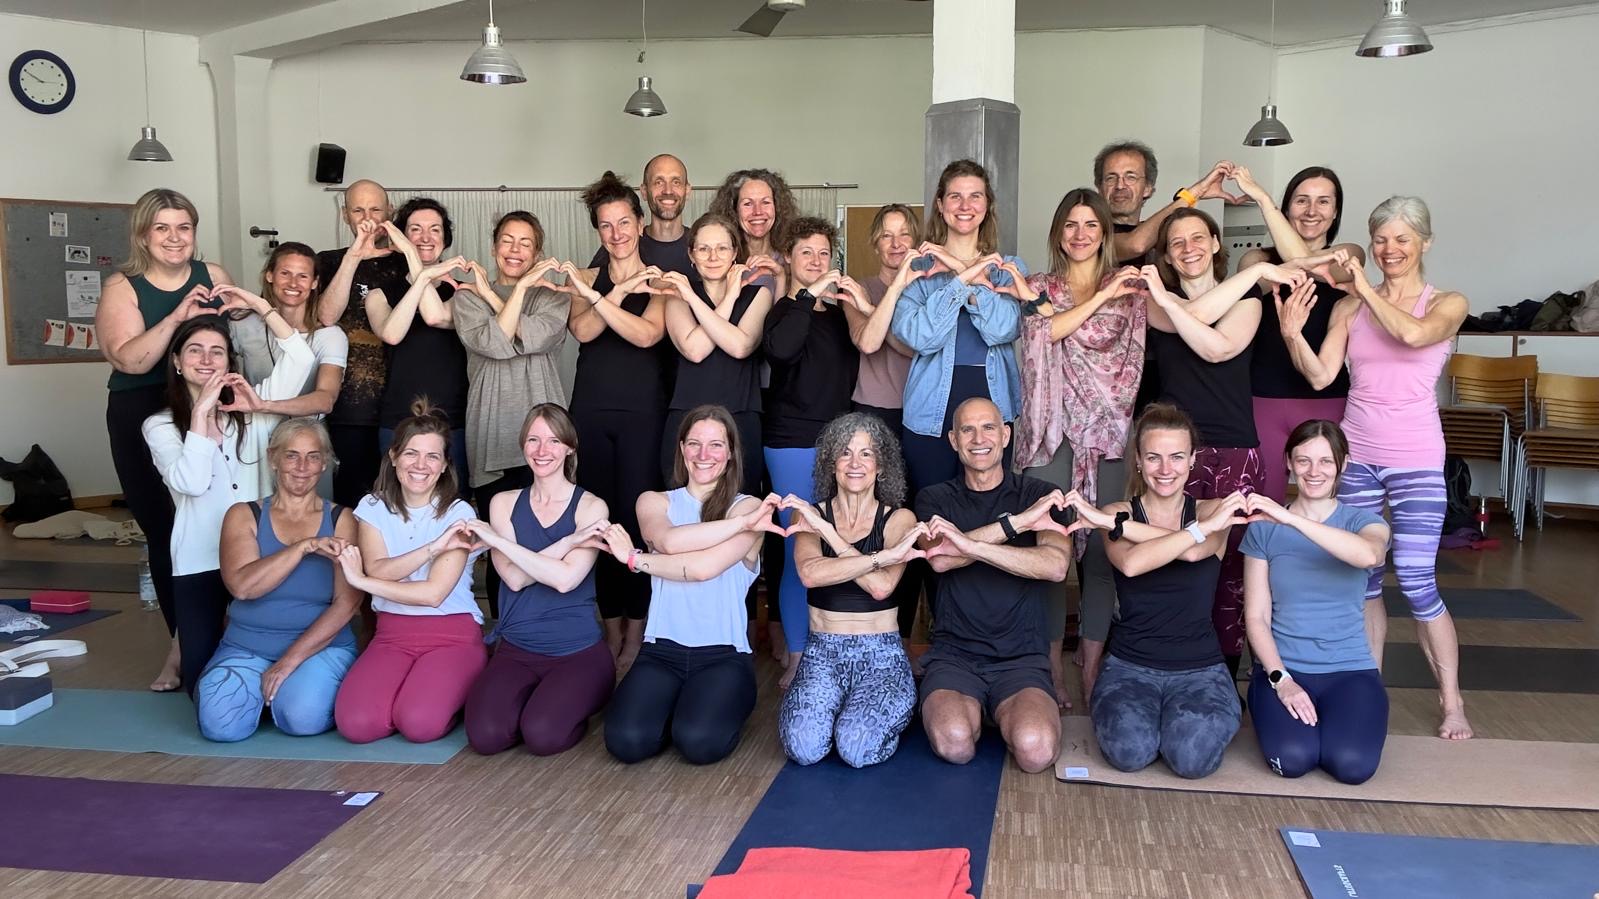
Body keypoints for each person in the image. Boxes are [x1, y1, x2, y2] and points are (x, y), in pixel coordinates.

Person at [1278, 196, 1473, 740]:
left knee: (1414, 579)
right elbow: (1320, 377)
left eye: (1402, 239)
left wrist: (1361, 286)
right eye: (1381, 239)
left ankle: (1452, 702)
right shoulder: (1347, 309)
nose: (1389, 250)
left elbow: (1412, 335)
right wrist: (1293, 334)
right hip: (1358, 454)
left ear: (1424, 243)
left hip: (1415, 459)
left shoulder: (1448, 302)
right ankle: (1366, 688)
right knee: (1360, 579)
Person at [1144, 206, 1310, 675]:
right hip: (1174, 453)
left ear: (1216, 245)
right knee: (1173, 555)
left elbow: (1217, 348)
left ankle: (1224, 672)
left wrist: (1256, 274)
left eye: (1198, 238)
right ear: (1168, 257)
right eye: (1177, 243)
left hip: (1235, 448)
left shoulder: (1249, 303)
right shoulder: (1158, 304)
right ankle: (1171, 661)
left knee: (1233, 570)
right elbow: (1192, 319)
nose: (1189, 249)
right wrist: (1256, 270)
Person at [97, 189, 241, 690]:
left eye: (184, 227)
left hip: (207, 399)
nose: (175, 238)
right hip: (143, 408)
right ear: (143, 234)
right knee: (169, 530)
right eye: (162, 228)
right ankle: (181, 646)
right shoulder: (123, 285)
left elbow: (234, 342)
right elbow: (130, 359)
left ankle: (231, 633)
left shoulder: (215, 276)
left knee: (227, 523)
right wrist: (177, 316)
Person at [1015, 187, 1147, 706]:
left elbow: (1130, 363)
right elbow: (1039, 337)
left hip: (1109, 436)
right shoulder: (1038, 286)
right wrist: (1097, 300)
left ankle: (1090, 665)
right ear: (1057, 233)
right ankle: (1048, 663)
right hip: (1050, 436)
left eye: (1091, 225)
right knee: (1049, 550)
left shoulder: (1130, 289)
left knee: (1101, 557)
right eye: (1070, 225)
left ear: (1105, 233)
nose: (1081, 234)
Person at [143, 309, 316, 695]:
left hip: (260, 559)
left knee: (275, 675)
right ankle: (184, 652)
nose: (206, 360)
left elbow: (302, 357)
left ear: (229, 362)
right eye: (195, 351)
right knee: (202, 691)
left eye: (217, 352)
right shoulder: (159, 426)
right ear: (176, 361)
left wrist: (258, 303)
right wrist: (202, 413)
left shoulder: (253, 415)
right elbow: (191, 481)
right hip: (198, 560)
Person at [1073, 403, 1245, 778]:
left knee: (1191, 760)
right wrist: (1117, 523)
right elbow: (1132, 565)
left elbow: (1198, 551)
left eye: (1176, 457)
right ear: (1137, 460)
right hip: (1129, 667)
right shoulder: (1117, 510)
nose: (1165, 470)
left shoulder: (1211, 509)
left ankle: (1183, 724)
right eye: (1153, 457)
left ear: (1192, 460)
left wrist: (1119, 527)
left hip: (1202, 669)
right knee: (1130, 753)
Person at [599, 406, 774, 765]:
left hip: (723, 657)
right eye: (694, 444)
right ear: (681, 449)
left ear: (730, 453)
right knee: (626, 742)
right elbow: (670, 542)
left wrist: (634, 560)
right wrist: (739, 527)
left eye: (715, 445)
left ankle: (696, 712)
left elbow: (702, 568)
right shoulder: (654, 501)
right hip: (661, 652)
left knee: (699, 743)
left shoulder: (749, 507)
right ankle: (673, 709)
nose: (704, 454)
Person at [915, 397, 1070, 774]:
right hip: (955, 657)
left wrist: (968, 546)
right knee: (954, 744)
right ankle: (974, 713)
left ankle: (1000, 713)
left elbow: (1055, 566)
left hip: (1021, 660)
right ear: (953, 440)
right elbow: (938, 559)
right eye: (967, 429)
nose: (978, 438)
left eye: (988, 428)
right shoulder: (934, 498)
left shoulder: (1037, 495)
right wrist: (1013, 526)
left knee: (1036, 753)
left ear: (1005, 435)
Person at [1242, 420, 1391, 784]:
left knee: (1351, 767)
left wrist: (1290, 519)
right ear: (1288, 463)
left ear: (1343, 464)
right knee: (1293, 760)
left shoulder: (1365, 522)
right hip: (1284, 670)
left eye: (1325, 461)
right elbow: (1257, 617)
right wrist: (1281, 679)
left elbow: (1368, 556)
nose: (1314, 471)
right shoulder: (1263, 528)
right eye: (1304, 460)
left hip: (1350, 672)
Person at [460, 404, 615, 756]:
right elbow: (513, 579)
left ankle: (567, 703)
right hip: (516, 650)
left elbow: (565, 580)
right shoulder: (502, 502)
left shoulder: (591, 507)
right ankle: (535, 701)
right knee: (486, 738)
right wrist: (567, 542)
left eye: (552, 441)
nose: (542, 450)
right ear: (523, 445)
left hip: (577, 653)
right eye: (533, 440)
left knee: (543, 736)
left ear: (569, 448)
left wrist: (497, 541)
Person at [565, 173, 674, 671]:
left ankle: (638, 631)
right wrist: (615, 293)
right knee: (597, 522)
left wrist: (618, 291)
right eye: (606, 226)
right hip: (589, 410)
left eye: (624, 222)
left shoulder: (659, 278)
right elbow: (583, 330)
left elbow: (649, 335)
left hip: (642, 414)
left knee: (636, 523)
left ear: (639, 222)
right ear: (598, 230)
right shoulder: (584, 279)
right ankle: (609, 631)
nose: (616, 233)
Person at [333, 401, 487, 744]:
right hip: (391, 635)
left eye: (433, 456)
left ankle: (452, 691)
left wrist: (363, 582)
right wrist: (433, 548)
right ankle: (415, 694)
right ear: (393, 456)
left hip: (452, 635)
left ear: (446, 464)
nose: (421, 465)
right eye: (411, 453)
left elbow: (433, 594)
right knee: (357, 725)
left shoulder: (457, 512)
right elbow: (378, 568)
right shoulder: (372, 506)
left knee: (419, 724)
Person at [198, 419, 359, 741]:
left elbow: (348, 603)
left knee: (301, 720)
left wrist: (288, 661)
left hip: (319, 649)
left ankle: (283, 694)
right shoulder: (243, 515)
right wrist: (303, 547)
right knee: (220, 727)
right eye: (291, 455)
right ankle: (273, 694)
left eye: (313, 456)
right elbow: (242, 586)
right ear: (273, 458)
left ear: (324, 462)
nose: (302, 466)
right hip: (247, 646)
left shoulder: (343, 519)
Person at [777, 413, 922, 767]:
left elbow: (881, 586)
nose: (855, 463)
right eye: (845, 453)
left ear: (881, 466)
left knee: (856, 750)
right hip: (821, 654)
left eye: (866, 454)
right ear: (831, 464)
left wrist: (828, 535)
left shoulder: (900, 519)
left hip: (881, 657)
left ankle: (876, 709)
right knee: (803, 748)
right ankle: (841, 711)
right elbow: (810, 574)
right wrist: (880, 557)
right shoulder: (807, 514)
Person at [451, 210, 570, 617]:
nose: (515, 250)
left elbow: (526, 335)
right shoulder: (465, 297)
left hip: (545, 435)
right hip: (491, 433)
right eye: (507, 240)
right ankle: (507, 634)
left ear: (538, 252)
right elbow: (496, 341)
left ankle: (551, 629)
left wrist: (492, 295)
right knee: (501, 547)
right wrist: (494, 292)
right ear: (494, 247)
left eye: (525, 243)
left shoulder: (555, 297)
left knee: (552, 541)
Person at [891, 159, 1030, 496]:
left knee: (989, 509)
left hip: (994, 402)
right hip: (929, 410)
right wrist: (964, 277)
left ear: (987, 206)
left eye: (975, 197)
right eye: (955, 196)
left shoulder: (1008, 268)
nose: (965, 206)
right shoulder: (917, 269)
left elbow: (1003, 329)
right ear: (940, 205)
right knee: (931, 511)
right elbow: (920, 337)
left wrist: (958, 269)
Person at [762, 217, 862, 682]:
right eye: (807, 254)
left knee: (837, 546)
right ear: (789, 258)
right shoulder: (783, 309)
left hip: (840, 442)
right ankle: (799, 655)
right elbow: (780, 352)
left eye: (824, 254)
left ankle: (830, 650)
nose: (817, 262)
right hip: (792, 442)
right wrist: (806, 295)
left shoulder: (842, 313)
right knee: (800, 546)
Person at [1234, 166, 1366, 502]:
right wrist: (1267, 202)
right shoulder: (1256, 259)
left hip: (1327, 398)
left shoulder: (1350, 254)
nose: (1311, 211)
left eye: (1323, 202)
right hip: (1262, 398)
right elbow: (1301, 266)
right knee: (1260, 499)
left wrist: (1262, 200)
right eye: (1301, 200)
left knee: (1328, 503)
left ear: (1335, 211)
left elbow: (1306, 265)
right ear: (1287, 206)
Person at [1092, 144, 1243, 415]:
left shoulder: (1164, 240)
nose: (1120, 185)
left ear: (1148, 188)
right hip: (1106, 370)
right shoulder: (1091, 238)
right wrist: (1192, 194)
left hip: (1162, 365)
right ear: (1099, 187)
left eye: (1131, 176)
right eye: (1111, 178)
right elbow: (1136, 243)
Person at [844, 203, 928, 644]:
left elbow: (915, 349)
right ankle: (864, 628)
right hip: (872, 415)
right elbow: (869, 339)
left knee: (909, 525)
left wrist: (879, 307)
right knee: (869, 522)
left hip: (919, 416)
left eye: (904, 236)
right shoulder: (859, 287)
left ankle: (903, 632)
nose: (896, 244)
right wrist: (872, 302)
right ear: (875, 241)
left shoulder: (931, 289)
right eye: (887, 236)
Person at [659, 214, 772, 490]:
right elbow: (694, 349)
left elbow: (740, 346)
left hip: (741, 413)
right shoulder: (676, 295)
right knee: (684, 510)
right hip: (687, 415)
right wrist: (729, 298)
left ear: (735, 252)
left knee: (741, 510)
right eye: (704, 248)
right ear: (691, 254)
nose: (713, 256)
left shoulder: (759, 294)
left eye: (722, 248)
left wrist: (725, 296)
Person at [317, 179, 412, 506]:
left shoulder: (405, 264)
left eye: (375, 209)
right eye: (358, 210)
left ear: (390, 213)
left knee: (401, 501)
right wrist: (353, 258)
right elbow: (327, 316)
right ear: (345, 215)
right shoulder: (328, 261)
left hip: (401, 405)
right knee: (352, 501)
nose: (368, 218)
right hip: (348, 406)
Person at [374, 199, 470, 479]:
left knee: (453, 506)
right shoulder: (381, 294)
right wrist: (422, 274)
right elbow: (392, 334)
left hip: (453, 419)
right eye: (415, 230)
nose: (425, 238)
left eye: (435, 230)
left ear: (445, 238)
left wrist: (417, 264)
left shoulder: (464, 292)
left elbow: (435, 316)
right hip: (397, 418)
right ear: (402, 237)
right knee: (395, 505)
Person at [589, 153, 697, 279]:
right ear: (644, 191)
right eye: (659, 182)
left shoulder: (703, 246)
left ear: (687, 191)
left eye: (676, 182)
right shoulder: (621, 244)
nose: (668, 190)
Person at [708, 168, 798, 294]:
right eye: (748, 204)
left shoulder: (792, 260)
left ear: (777, 208)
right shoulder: (718, 260)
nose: (758, 212)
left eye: (765, 202)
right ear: (734, 211)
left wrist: (780, 276)